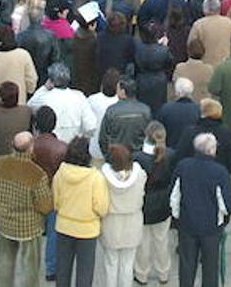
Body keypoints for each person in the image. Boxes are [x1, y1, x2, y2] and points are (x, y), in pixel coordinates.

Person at [0, 130, 54, 287]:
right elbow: (45, 207)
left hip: (5, 223)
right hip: (29, 227)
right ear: (31, 148)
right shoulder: (37, 174)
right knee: (30, 266)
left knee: (5, 261)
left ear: (12, 145)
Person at [170, 132, 231, 287]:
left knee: (186, 265)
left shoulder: (183, 166)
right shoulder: (220, 171)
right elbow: (227, 205)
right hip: (211, 228)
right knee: (210, 267)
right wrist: (223, 220)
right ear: (211, 150)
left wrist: (178, 217)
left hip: (187, 225)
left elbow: (174, 196)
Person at [52, 135, 109, 287]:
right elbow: (101, 207)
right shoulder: (96, 177)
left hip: (64, 226)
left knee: (62, 270)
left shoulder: (60, 173)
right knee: (85, 273)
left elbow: (56, 202)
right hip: (87, 230)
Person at [99, 143, 147, 287]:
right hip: (132, 222)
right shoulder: (140, 175)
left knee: (110, 263)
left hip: (111, 223)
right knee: (128, 264)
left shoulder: (103, 177)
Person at [132, 121, 174, 287]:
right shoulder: (171, 155)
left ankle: (142, 274)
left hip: (143, 202)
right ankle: (163, 273)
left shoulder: (138, 157)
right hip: (163, 202)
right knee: (162, 239)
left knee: (143, 242)